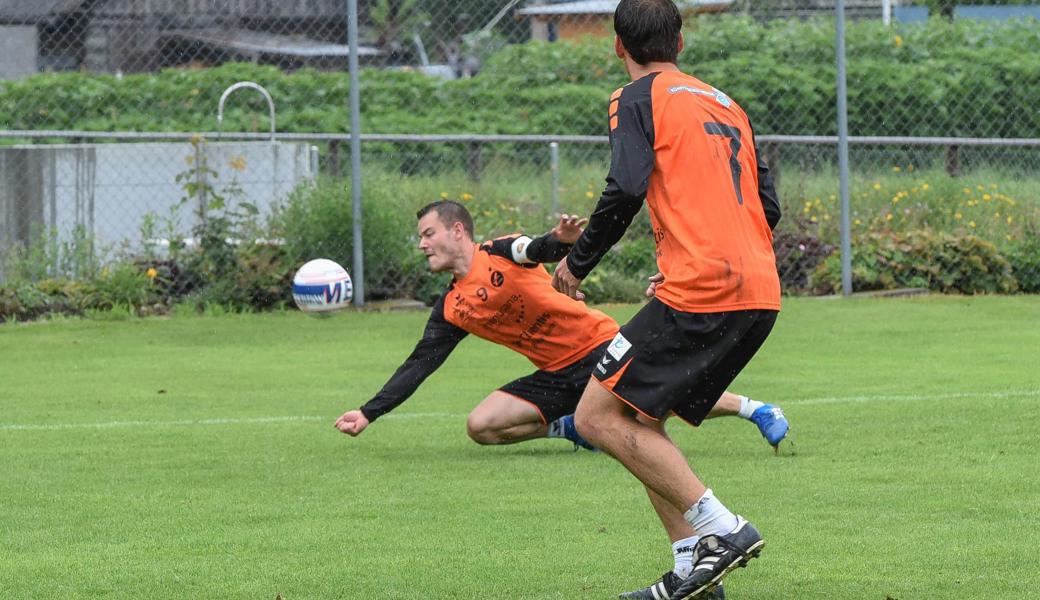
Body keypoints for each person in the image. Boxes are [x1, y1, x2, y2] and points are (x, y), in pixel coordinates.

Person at [550, 1, 784, 599]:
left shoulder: (635, 98)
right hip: (757, 287)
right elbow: (769, 208)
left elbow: (626, 185)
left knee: (595, 416)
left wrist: (576, 264)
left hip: (704, 287)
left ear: (616, 45)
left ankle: (721, 529)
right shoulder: (730, 105)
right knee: (640, 416)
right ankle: (692, 571)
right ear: (680, 41)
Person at [333, 201, 788, 461]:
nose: (422, 243)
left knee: (658, 403)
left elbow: (538, 248)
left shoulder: (498, 251)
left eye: (428, 233)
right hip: (554, 372)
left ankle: (756, 409)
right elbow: (420, 364)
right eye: (420, 237)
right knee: (481, 427)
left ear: (457, 231)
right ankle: (571, 427)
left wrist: (562, 242)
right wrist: (370, 412)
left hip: (599, 345)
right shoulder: (451, 306)